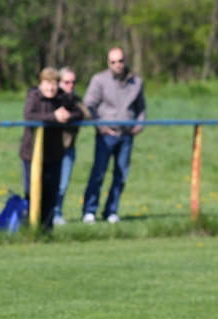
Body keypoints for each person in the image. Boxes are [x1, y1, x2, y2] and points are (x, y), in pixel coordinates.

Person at [80, 47, 145, 224]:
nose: (118, 65)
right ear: (108, 63)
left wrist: (138, 126)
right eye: (113, 62)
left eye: (120, 61)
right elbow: (89, 104)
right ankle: (89, 210)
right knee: (99, 172)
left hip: (126, 135)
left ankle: (111, 211)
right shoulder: (99, 80)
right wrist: (100, 126)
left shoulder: (136, 82)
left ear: (126, 60)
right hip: (106, 135)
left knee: (121, 174)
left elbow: (141, 107)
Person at [19, 68, 83, 233]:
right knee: (32, 192)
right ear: (40, 84)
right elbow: (29, 115)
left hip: (55, 154)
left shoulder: (63, 97)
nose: (51, 88)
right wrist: (54, 117)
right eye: (47, 83)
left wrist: (68, 115)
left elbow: (79, 112)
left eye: (54, 83)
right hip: (31, 154)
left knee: (51, 192)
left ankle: (47, 230)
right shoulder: (33, 96)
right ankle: (30, 228)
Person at [52, 68, 90, 226]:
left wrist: (69, 115)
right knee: (49, 183)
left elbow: (86, 114)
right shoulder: (53, 97)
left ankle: (56, 213)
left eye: (73, 82)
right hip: (51, 147)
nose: (70, 85)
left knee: (63, 184)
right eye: (66, 82)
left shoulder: (74, 99)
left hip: (68, 148)